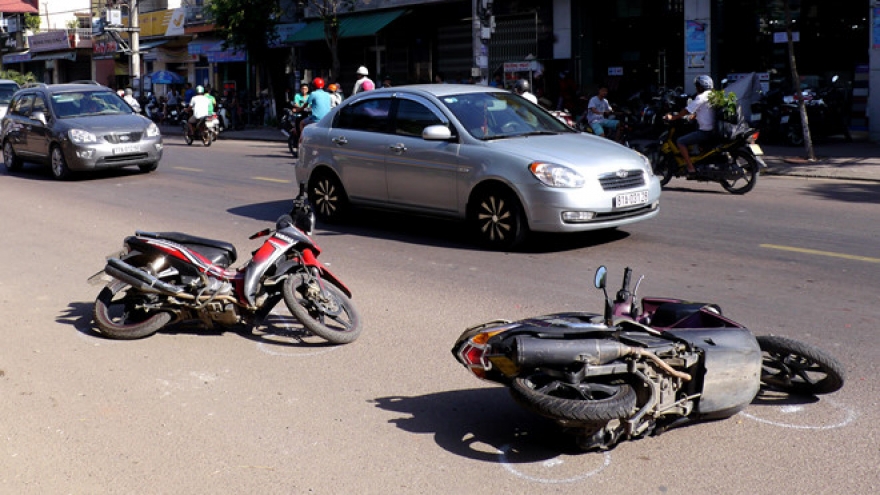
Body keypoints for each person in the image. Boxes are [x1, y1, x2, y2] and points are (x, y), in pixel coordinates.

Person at [665, 74, 716, 177]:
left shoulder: (701, 97)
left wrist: (673, 117)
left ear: (701, 87)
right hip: (714, 129)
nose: (696, 88)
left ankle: (690, 167)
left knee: (680, 141)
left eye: (697, 86)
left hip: (706, 132)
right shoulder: (713, 95)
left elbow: (687, 110)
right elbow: (705, 111)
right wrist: (694, 116)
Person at [298, 77, 332, 150]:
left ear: (313, 86)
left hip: (316, 119)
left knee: (301, 123)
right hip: (327, 119)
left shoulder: (313, 94)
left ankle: (302, 140)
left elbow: (305, 105)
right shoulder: (327, 94)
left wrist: (299, 109)